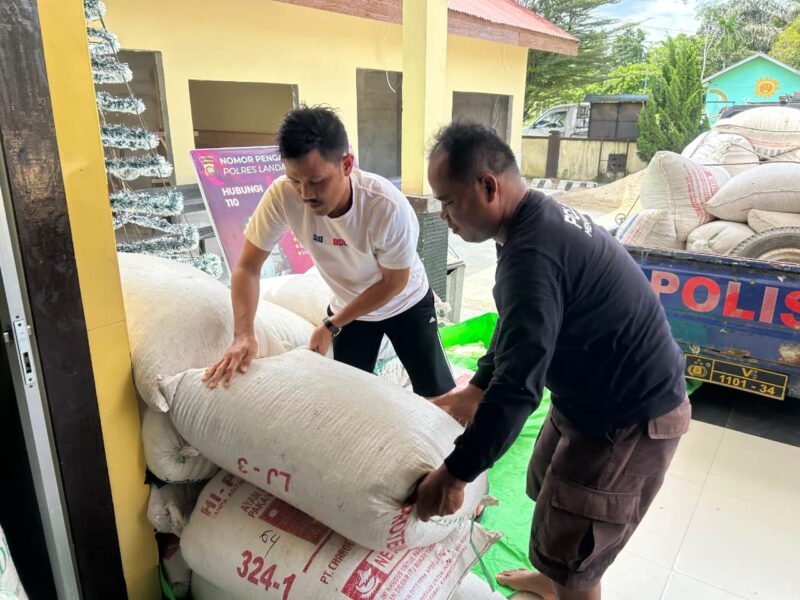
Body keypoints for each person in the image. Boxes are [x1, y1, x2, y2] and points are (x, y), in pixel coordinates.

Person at [411, 123, 690, 600]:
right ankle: (550, 578)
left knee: (579, 545)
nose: (444, 216)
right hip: (587, 392)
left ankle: (567, 582)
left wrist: (456, 473)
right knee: (547, 487)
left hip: (630, 417)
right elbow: (518, 321)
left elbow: (520, 387)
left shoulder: (532, 254)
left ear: (488, 186)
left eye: (448, 201)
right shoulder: (528, 221)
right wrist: (477, 386)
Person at [203, 105, 454, 399]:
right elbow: (247, 268)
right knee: (349, 399)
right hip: (349, 309)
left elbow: (393, 282)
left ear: (346, 164)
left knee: (439, 398)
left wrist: (331, 324)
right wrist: (243, 333)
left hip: (405, 302)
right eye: (296, 180)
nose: (305, 193)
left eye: (317, 181)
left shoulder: (385, 206)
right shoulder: (282, 195)